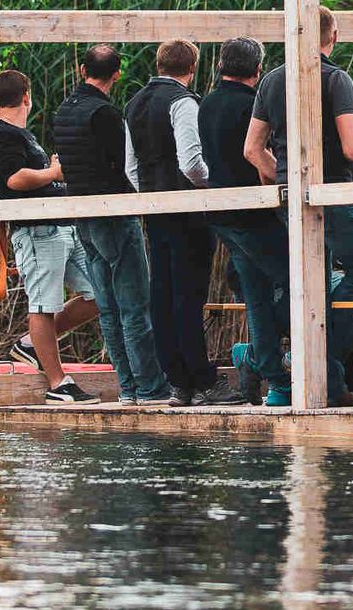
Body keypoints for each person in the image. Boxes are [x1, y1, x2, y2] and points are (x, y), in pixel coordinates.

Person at [245, 7, 353, 404]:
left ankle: (323, 377)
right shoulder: (336, 79)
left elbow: (252, 149)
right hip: (334, 193)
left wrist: (281, 176)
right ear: (331, 37)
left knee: (311, 285)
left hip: (290, 199)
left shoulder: (271, 80)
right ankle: (306, 355)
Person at [51, 45, 169, 403]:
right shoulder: (104, 112)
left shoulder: (63, 111)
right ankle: (149, 386)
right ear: (116, 74)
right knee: (133, 306)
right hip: (114, 213)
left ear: (82, 69)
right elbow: (123, 165)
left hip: (83, 215)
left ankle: (128, 387)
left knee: (108, 307)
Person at [0, 68, 101, 403]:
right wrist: (54, 171)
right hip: (36, 232)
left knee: (100, 293)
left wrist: (53, 175)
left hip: (62, 227)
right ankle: (58, 383)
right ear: (26, 97)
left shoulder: (21, 134)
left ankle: (30, 344)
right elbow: (14, 179)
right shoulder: (2, 134)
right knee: (43, 305)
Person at [127, 38, 229, 404]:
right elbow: (191, 162)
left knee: (163, 294)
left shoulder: (134, 103)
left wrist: (150, 196)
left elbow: (131, 168)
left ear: (159, 64)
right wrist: (210, 187)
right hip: (187, 210)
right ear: (192, 69)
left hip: (155, 209)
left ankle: (178, 380)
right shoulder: (183, 102)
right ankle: (201, 379)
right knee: (188, 294)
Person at [198, 36, 286, 404]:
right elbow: (258, 154)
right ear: (258, 70)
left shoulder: (206, 104)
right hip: (254, 214)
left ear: (221, 65)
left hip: (221, 214)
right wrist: (278, 178)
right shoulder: (253, 106)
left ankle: (267, 369)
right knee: (302, 284)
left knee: (256, 294)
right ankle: (257, 358)